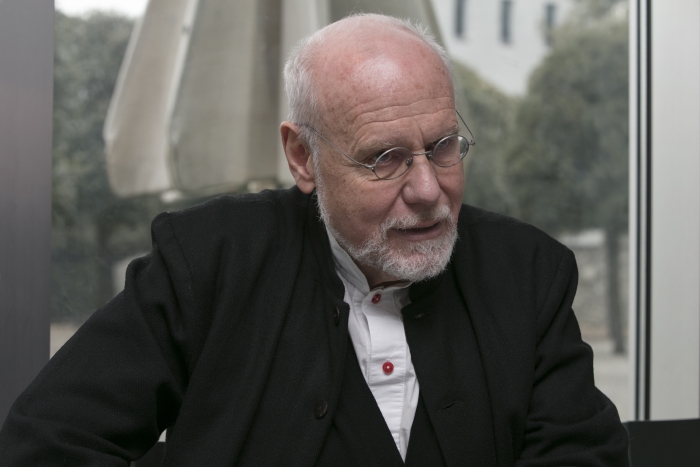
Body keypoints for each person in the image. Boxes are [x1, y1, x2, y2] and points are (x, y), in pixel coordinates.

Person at [0, 13, 628, 466]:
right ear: (302, 157)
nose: (428, 189)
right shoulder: (207, 261)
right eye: (384, 158)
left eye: (443, 146)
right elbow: (49, 443)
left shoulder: (530, 272)